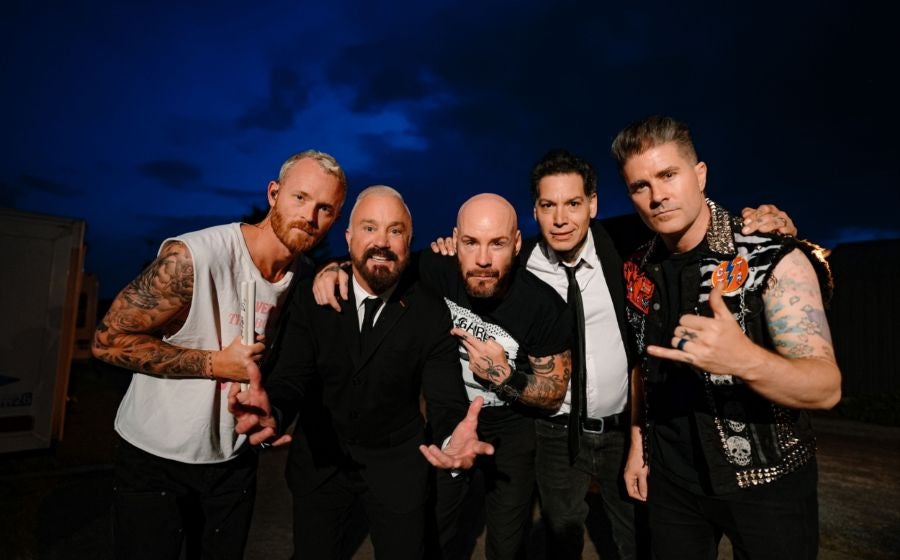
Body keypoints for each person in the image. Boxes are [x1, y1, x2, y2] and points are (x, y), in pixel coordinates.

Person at [431, 151, 796, 560]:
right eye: (548, 205)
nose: (560, 219)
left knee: (635, 540)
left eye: (573, 203)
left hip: (622, 430)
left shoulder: (626, 243)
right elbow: (475, 260)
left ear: (593, 204)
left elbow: (693, 221)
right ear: (534, 212)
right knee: (560, 539)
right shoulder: (517, 263)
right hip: (555, 434)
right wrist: (449, 249)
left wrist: (763, 222)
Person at [91, 150, 347, 560]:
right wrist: (213, 363)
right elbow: (107, 340)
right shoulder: (196, 256)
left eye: (325, 208)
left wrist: (336, 267)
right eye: (300, 198)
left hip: (232, 463)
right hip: (155, 456)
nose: (309, 216)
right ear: (274, 194)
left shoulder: (303, 280)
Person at [614, 116, 841, 559]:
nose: (657, 195)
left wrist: (744, 360)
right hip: (673, 482)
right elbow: (642, 362)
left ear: (700, 175)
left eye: (668, 175)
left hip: (768, 484)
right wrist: (638, 446)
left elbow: (827, 387)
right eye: (640, 186)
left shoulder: (771, 256)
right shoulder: (637, 267)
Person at [230, 186, 494, 560]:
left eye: (395, 231)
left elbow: (445, 398)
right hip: (321, 463)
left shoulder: (430, 311)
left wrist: (454, 436)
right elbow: (291, 376)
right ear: (349, 237)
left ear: (409, 242)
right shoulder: (311, 297)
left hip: (396, 467)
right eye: (369, 228)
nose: (382, 242)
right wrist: (274, 410)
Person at [314, 193, 573, 560]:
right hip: (449, 420)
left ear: (516, 244)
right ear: (455, 240)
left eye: (497, 243)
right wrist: (334, 269)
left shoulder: (542, 306)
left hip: (512, 431)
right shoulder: (437, 268)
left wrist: (505, 377)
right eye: (470, 242)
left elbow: (554, 392)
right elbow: (380, 264)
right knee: (432, 531)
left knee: (506, 543)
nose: (483, 259)